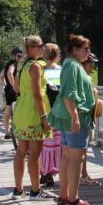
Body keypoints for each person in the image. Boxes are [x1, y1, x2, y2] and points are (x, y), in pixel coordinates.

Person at [48, 35, 96, 205]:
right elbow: (69, 93)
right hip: (75, 118)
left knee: (67, 156)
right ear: (74, 50)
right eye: (85, 49)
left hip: (69, 117)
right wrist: (75, 116)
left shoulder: (71, 65)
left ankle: (64, 194)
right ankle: (73, 198)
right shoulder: (72, 65)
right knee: (76, 158)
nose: (88, 52)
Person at [11, 35, 52, 199]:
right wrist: (44, 116)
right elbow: (37, 94)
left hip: (22, 109)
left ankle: (18, 189)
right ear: (30, 49)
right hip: (34, 110)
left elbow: (16, 87)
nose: (43, 48)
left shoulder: (22, 65)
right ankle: (35, 190)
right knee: (35, 153)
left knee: (21, 151)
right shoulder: (35, 66)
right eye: (40, 46)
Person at [39, 43, 63, 189]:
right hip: (57, 112)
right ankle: (52, 171)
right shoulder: (58, 71)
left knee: (45, 144)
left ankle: (45, 171)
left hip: (43, 111)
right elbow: (57, 93)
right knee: (56, 143)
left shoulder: (40, 70)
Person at [79, 53, 101, 187]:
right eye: (90, 66)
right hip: (84, 117)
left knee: (82, 149)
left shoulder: (84, 77)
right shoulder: (84, 78)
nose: (92, 69)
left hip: (86, 117)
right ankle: (84, 175)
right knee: (83, 149)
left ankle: (82, 174)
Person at [0, 47, 23, 139]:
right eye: (18, 56)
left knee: (8, 111)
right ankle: (16, 130)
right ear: (14, 56)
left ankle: (7, 132)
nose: (20, 58)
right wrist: (14, 87)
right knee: (18, 110)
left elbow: (0, 77)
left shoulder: (7, 64)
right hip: (14, 90)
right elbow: (9, 73)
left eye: (21, 56)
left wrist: (5, 85)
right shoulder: (13, 64)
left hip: (8, 90)